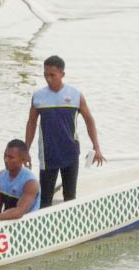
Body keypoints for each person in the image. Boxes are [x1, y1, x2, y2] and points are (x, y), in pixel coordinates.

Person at [26, 55, 104, 207]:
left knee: (70, 196)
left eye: (52, 75)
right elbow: (31, 123)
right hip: (48, 155)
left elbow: (89, 120)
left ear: (62, 74)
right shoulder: (38, 97)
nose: (48, 79)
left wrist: (96, 147)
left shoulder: (75, 95)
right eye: (45, 75)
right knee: (45, 199)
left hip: (70, 152)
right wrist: (26, 150)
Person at [0, 140, 41, 224]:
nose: (6, 160)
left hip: (28, 224)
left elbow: (20, 211)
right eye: (5, 156)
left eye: (11, 157)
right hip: (7, 221)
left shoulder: (31, 183)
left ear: (23, 159)